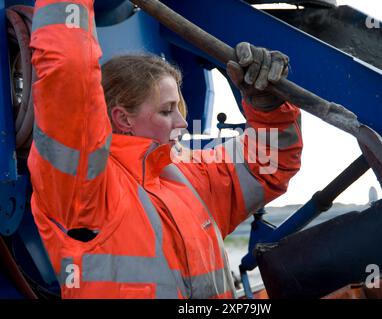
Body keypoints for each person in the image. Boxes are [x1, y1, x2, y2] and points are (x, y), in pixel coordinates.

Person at [28, 0, 303, 299]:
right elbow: (70, 71)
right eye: (167, 110)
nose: (182, 122)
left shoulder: (189, 174)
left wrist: (270, 107)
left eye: (180, 108)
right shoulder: (85, 188)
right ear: (123, 118)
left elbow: (269, 165)